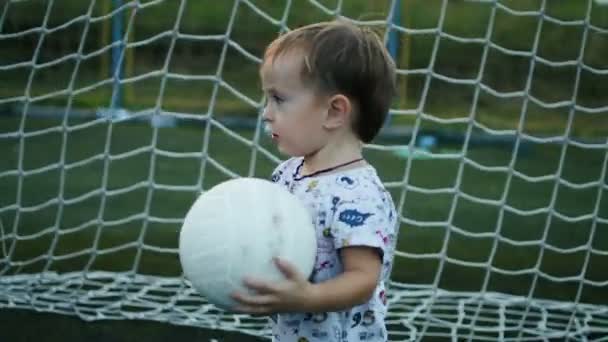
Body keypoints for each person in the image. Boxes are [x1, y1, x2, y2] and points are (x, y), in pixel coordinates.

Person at [231, 20, 398, 342]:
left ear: (334, 112)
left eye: (278, 99)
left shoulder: (358, 195)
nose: (266, 113)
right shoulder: (287, 172)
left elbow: (363, 278)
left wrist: (307, 298)